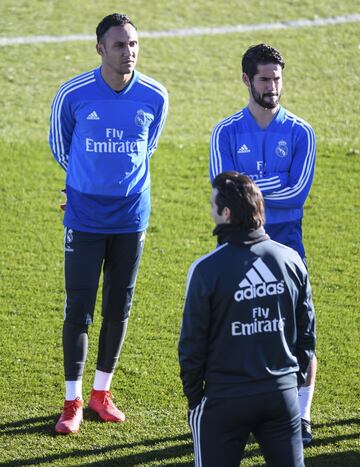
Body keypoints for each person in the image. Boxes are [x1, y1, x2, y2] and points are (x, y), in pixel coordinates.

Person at [49, 13, 168, 434]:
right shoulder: (73, 94)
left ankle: (101, 393)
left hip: (131, 218)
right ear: (100, 49)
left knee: (119, 306)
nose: (128, 52)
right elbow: (61, 147)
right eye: (119, 45)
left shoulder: (155, 95)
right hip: (84, 217)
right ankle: (72, 401)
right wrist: (85, 185)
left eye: (133, 44)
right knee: (78, 307)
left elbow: (145, 148)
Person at [209, 43, 317, 445]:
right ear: (246, 80)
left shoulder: (301, 132)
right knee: (238, 328)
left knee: (298, 332)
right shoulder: (225, 131)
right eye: (264, 79)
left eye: (277, 78)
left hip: (288, 247)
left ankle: (302, 416)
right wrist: (271, 187)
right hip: (237, 248)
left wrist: (247, 187)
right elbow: (222, 190)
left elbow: (298, 193)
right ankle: (237, 409)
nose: (273, 86)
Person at [178, 172, 316, 467]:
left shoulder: (206, 270)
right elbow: (307, 335)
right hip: (281, 395)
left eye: (213, 204)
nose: (210, 210)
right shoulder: (291, 259)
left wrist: (195, 398)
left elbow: (191, 344)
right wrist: (292, 381)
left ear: (226, 213)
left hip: (224, 400)